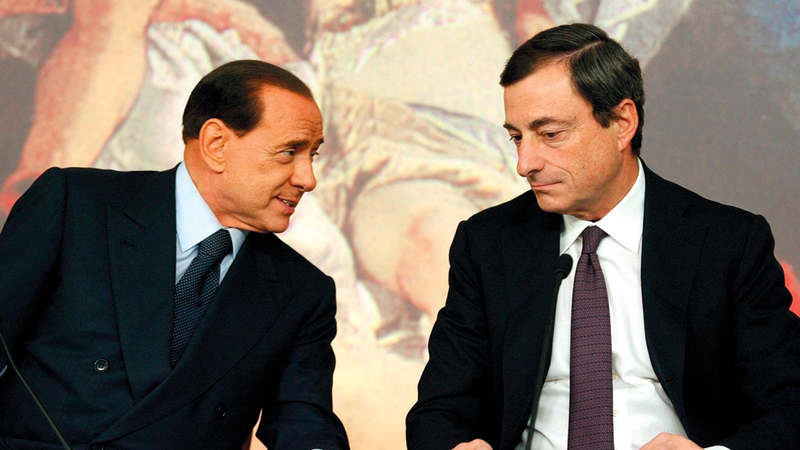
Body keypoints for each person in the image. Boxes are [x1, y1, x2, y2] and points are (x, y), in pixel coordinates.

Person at [406, 23, 800, 450]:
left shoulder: (728, 243)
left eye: (550, 134)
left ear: (622, 123)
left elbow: (790, 404)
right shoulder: (488, 244)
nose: (524, 164)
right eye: (517, 137)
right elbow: (439, 409)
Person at [0, 60, 349, 449]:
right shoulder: (76, 205)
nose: (307, 179)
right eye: (289, 152)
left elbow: (304, 422)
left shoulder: (303, 291)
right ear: (216, 145)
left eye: (312, 155)